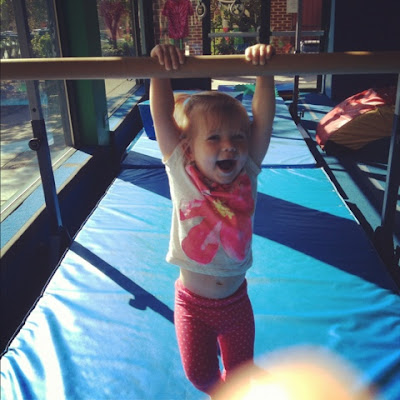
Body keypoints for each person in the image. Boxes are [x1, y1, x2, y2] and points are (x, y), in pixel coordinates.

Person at [150, 43, 275, 396]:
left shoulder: (247, 172)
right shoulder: (182, 170)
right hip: (193, 305)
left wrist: (264, 72)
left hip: (236, 304)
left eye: (238, 137)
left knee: (240, 376)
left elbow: (263, 121)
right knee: (202, 378)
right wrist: (159, 70)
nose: (229, 146)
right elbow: (161, 116)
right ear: (189, 146)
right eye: (214, 138)